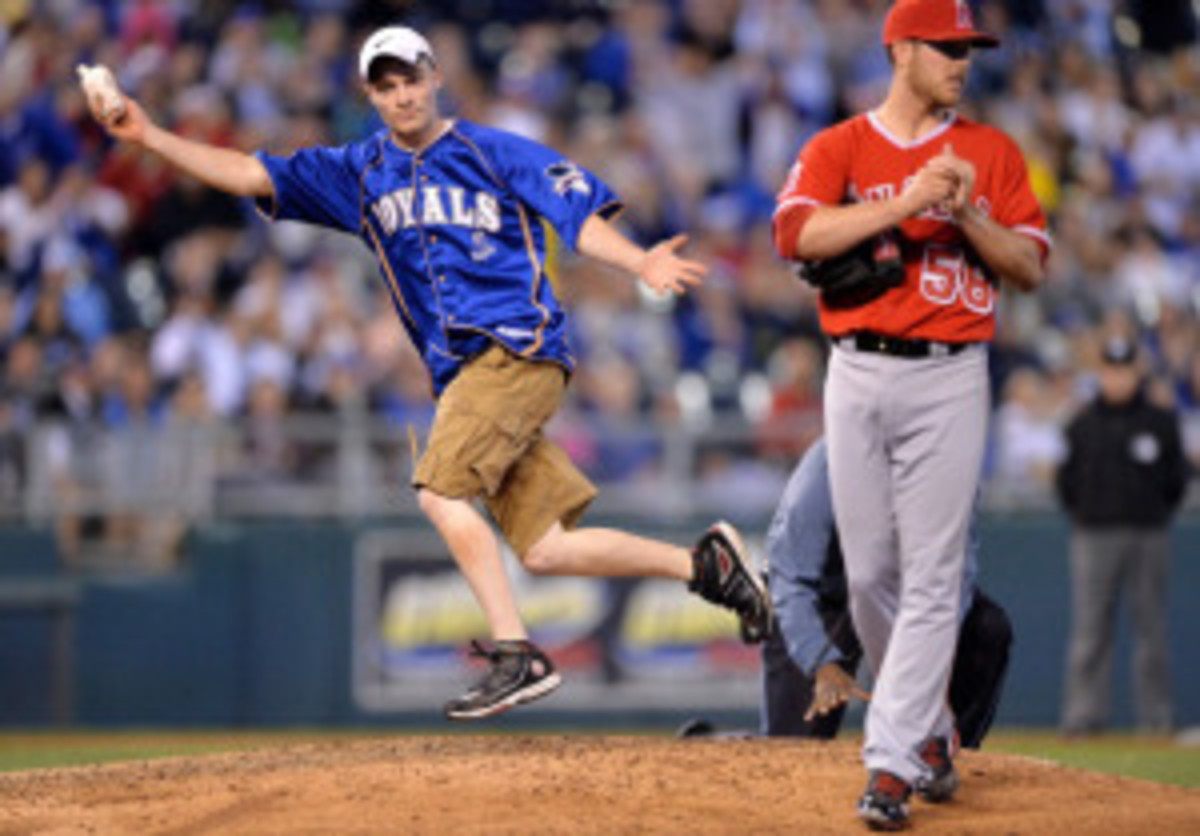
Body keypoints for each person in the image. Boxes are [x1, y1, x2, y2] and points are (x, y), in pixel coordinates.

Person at [83, 25, 771, 721]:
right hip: (467, 376)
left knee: (439, 494)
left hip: (515, 348)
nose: (402, 93)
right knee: (545, 550)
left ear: (436, 76)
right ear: (370, 95)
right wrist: (149, 138)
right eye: (386, 84)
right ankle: (705, 566)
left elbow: (576, 214)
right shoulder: (359, 171)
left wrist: (639, 262)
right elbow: (252, 173)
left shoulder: (490, 149)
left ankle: (518, 655)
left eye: (411, 77)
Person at [772, 0, 1048, 829]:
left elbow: (1030, 266)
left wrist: (965, 212)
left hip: (950, 376)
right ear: (901, 50)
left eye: (969, 48)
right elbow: (796, 235)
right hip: (855, 370)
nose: (962, 61)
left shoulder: (990, 151)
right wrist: (906, 203)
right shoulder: (841, 147)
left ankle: (889, 766)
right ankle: (929, 730)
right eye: (946, 47)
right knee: (868, 578)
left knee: (932, 575)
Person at [761, 438, 1011, 747]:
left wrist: (931, 659)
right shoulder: (826, 469)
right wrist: (820, 661)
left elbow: (956, 579)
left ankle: (950, 755)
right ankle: (711, 740)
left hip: (911, 596)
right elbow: (790, 578)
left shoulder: (952, 473)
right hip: (825, 599)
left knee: (987, 628)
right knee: (792, 750)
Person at [1056, 335, 1188, 736]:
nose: (1117, 378)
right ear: (1101, 374)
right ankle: (1083, 718)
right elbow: (1067, 482)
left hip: (1148, 535)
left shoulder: (1160, 422)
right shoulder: (1082, 424)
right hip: (1094, 536)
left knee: (1151, 630)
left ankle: (1156, 718)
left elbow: (1177, 480)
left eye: (1124, 370)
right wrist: (1085, 513)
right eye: (1110, 370)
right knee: (1090, 630)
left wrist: (1155, 513)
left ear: (1137, 373)